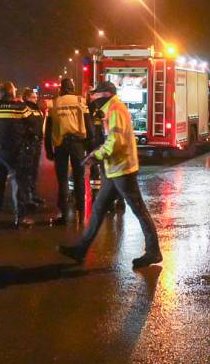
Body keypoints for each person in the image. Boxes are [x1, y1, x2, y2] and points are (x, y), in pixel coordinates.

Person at [59, 81, 163, 269]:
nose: (93, 98)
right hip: (115, 170)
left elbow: (116, 141)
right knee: (99, 210)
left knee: (138, 210)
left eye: (96, 95)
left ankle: (153, 251)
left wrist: (95, 155)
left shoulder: (115, 109)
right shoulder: (111, 108)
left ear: (106, 94)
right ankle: (81, 250)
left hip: (122, 170)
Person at [0, 82, 39, 229]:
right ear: (12, 93)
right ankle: (19, 219)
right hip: (16, 152)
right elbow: (34, 123)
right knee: (18, 185)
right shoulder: (20, 108)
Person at [44, 77, 89, 225]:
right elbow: (88, 125)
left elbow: (49, 129)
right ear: (72, 87)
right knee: (79, 178)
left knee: (63, 180)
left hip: (60, 144)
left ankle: (63, 215)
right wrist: (90, 147)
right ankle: (81, 214)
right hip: (78, 144)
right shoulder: (80, 101)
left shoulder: (55, 103)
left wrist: (48, 150)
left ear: (61, 88)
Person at [20, 87, 45, 210]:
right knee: (27, 171)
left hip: (37, 142)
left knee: (34, 170)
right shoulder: (24, 108)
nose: (36, 99)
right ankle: (26, 198)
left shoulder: (36, 108)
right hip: (28, 143)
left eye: (36, 97)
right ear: (26, 97)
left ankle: (33, 194)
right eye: (33, 97)